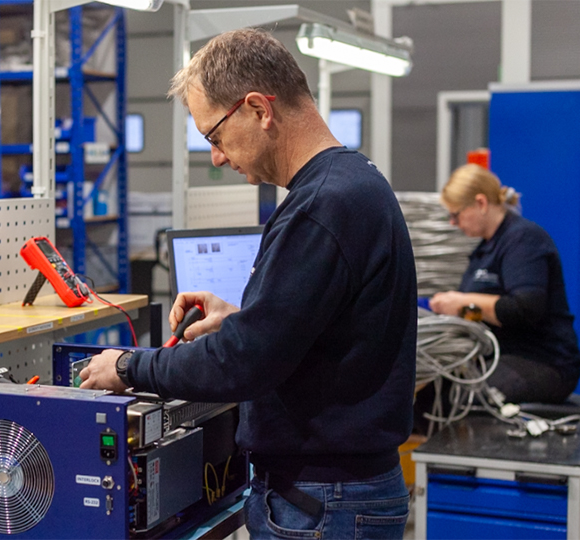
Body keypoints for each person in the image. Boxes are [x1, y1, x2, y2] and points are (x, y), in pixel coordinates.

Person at [80, 28, 416, 539]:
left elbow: (243, 365)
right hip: (337, 494)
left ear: (258, 108)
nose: (215, 156)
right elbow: (323, 335)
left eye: (214, 136)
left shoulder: (322, 206)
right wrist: (241, 320)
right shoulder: (349, 184)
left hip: (325, 501)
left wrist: (128, 366)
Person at [429, 164, 580, 404]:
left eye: (455, 214)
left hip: (543, 361)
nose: (452, 223)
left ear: (480, 203)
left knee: (460, 398)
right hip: (504, 355)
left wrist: (461, 302)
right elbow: (482, 312)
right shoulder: (485, 249)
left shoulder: (523, 240)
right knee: (429, 393)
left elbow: (524, 309)